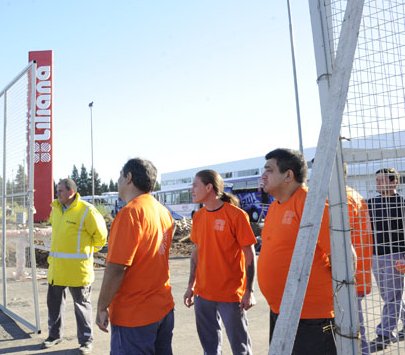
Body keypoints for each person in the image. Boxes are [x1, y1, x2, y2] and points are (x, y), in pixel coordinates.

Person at [257, 148, 336, 355]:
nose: (263, 175)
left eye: (269, 170)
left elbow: (343, 258)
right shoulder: (275, 207)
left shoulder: (311, 203)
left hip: (311, 317)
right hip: (281, 311)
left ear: (288, 175)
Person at [96, 158, 175, 355]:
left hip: (134, 315)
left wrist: (101, 307)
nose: (118, 181)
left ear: (128, 177)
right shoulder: (163, 212)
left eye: (120, 176)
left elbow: (116, 268)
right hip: (162, 308)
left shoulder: (129, 213)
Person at [183, 169, 257, 355]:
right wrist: (191, 286)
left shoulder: (236, 215)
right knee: (210, 349)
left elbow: (249, 255)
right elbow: (196, 253)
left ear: (209, 187)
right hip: (203, 294)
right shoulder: (199, 217)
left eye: (195, 185)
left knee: (240, 348)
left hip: (230, 295)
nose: (192, 189)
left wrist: (249, 291)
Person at [43, 178, 107, 355]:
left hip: (78, 270)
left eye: (61, 191)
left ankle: (86, 341)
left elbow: (101, 237)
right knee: (54, 304)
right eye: (57, 191)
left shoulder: (87, 211)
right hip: (57, 269)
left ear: (71, 192)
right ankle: (54, 336)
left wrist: (88, 251)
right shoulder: (55, 209)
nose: (57, 194)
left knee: (81, 306)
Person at [367, 168, 405, 352]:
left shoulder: (401, 203)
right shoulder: (371, 203)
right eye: (377, 180)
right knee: (389, 295)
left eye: (381, 180)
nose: (378, 183)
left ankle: (385, 334)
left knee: (392, 296)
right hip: (375, 256)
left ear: (393, 182)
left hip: (396, 256)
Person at [343, 164, 373, 354]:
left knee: (352, 326)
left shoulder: (341, 198)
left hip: (348, 272)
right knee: (355, 322)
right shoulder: (353, 194)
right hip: (356, 270)